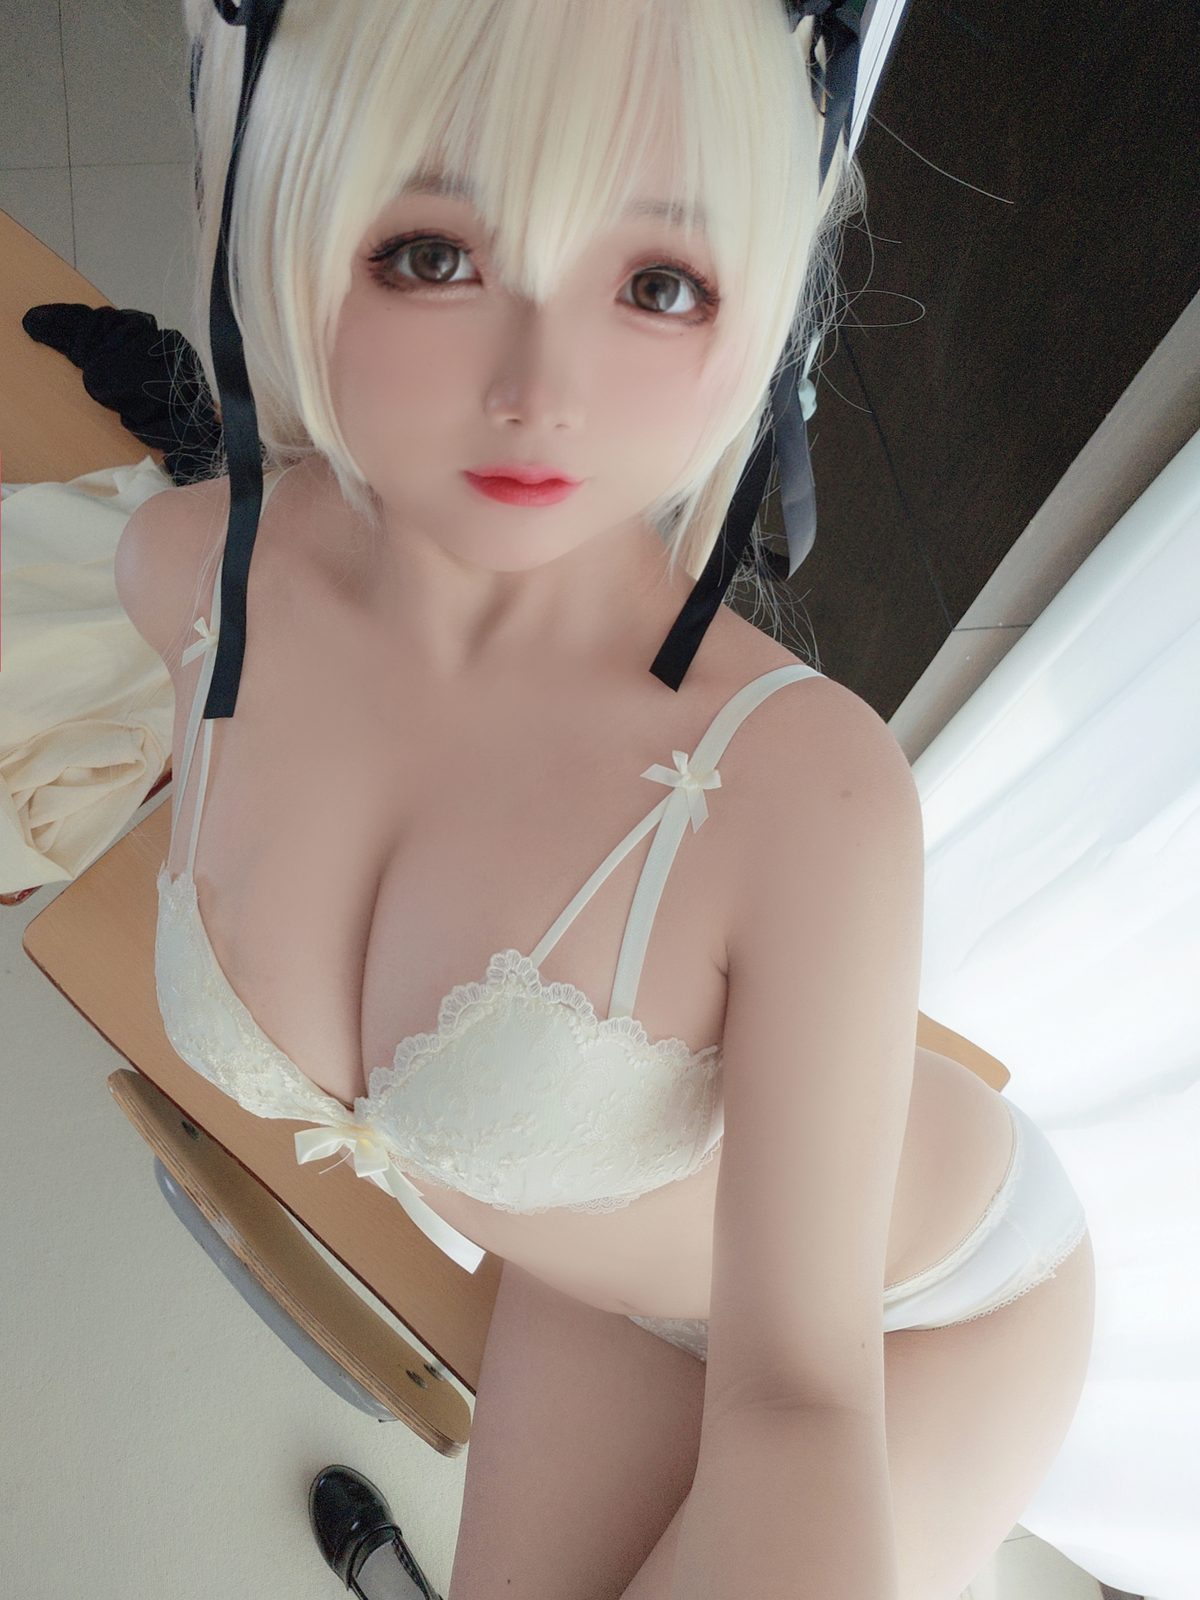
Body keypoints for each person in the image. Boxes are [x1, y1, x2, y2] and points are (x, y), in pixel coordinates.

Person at [144, 2, 1091, 1595]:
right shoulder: (187, 574)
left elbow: (800, 1407)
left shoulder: (806, 794)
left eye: (657, 284)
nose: (542, 390)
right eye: (434, 255)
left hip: (916, 1318)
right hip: (596, 1266)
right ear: (294, 214)